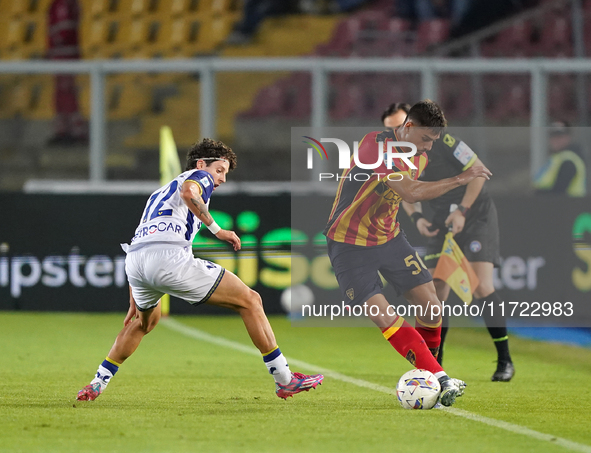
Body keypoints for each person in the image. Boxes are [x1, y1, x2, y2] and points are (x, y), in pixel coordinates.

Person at [77, 138, 323, 401]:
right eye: (220, 170)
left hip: (136, 262)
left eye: (224, 174)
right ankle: (284, 379)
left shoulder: (159, 193)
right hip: (168, 258)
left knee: (143, 322)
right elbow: (189, 193)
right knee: (250, 300)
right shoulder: (198, 176)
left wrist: (134, 295)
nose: (222, 179)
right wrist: (218, 230)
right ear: (202, 163)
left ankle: (97, 383)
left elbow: (143, 240)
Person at [324, 99, 492, 406]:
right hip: (349, 245)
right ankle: (440, 379)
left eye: (433, 142)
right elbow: (409, 191)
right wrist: (460, 178)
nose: (428, 148)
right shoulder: (374, 145)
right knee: (384, 315)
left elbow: (410, 192)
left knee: (432, 307)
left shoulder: (419, 156)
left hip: (388, 239)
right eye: (426, 139)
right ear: (409, 127)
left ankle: (433, 375)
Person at [383, 102, 515, 382]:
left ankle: (505, 360)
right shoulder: (395, 153)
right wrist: (418, 218)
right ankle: (435, 368)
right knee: (435, 293)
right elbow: (405, 191)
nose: (394, 131)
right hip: (442, 220)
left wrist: (462, 210)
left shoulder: (441, 140)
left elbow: (478, 171)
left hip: (476, 215)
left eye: (398, 125)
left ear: (410, 123)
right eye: (389, 128)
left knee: (481, 286)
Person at [46, 0, 87, 146]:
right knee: (63, 94)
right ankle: (65, 129)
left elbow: (64, 30)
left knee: (66, 94)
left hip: (64, 55)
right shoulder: (67, 4)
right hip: (64, 55)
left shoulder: (62, 4)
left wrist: (56, 44)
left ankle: (74, 131)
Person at [533, 121, 587, 197]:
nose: (555, 140)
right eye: (553, 136)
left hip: (567, 207)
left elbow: (559, 191)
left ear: (568, 137)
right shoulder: (557, 158)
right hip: (556, 206)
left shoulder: (568, 160)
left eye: (559, 136)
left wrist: (538, 195)